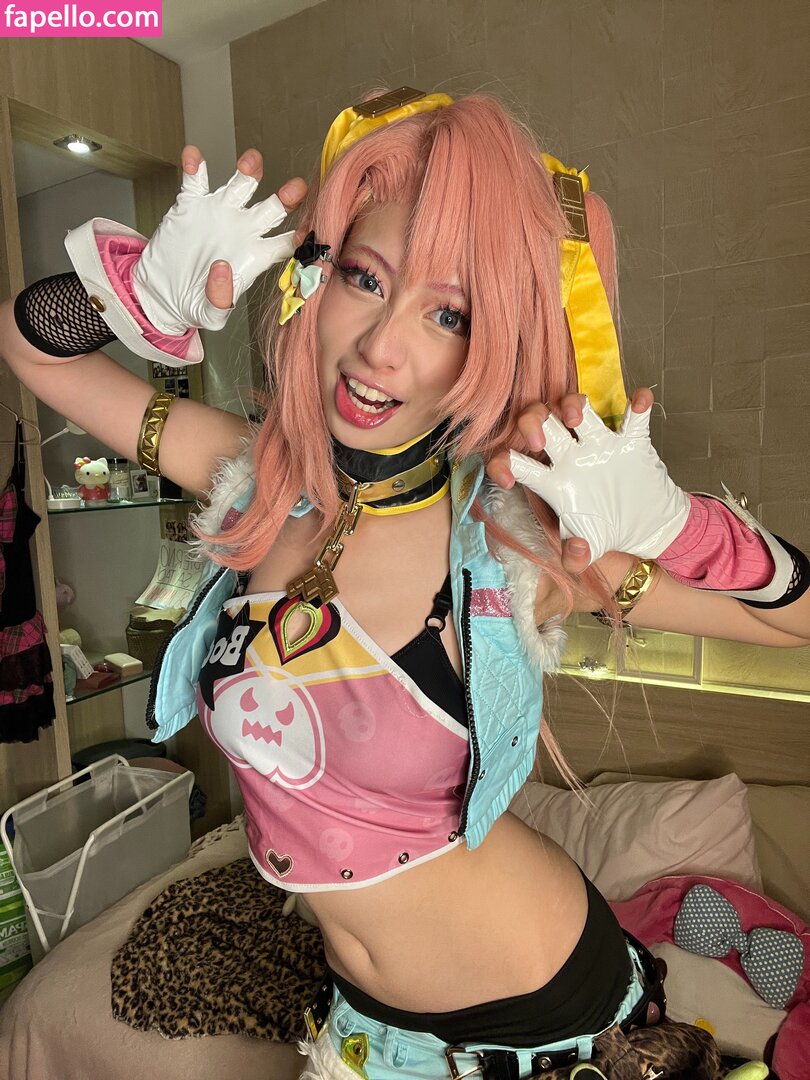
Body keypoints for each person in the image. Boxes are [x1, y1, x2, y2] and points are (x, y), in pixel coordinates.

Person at [2, 88, 807, 1080]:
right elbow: (31, 346)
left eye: (448, 313)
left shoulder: (510, 540)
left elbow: (797, 625)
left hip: (542, 1015)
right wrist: (130, 298)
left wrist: (687, 529)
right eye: (366, 277)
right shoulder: (256, 479)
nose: (382, 345)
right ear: (318, 278)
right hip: (363, 1017)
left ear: (491, 347)